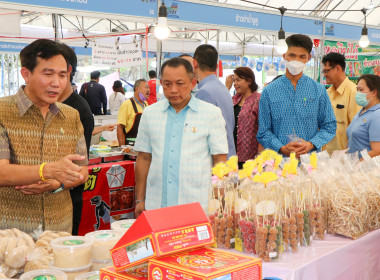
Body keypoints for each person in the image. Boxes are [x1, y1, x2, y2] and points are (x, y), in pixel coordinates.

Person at [0, 39, 88, 234]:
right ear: (26, 74)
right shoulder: (2, 112)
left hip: (59, 230)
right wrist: (47, 170)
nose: (56, 83)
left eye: (63, 75)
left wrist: (58, 183)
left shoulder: (71, 116)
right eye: (48, 74)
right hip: (11, 233)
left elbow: (83, 171)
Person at [134, 57, 228, 217]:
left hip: (196, 204)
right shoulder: (150, 114)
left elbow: (219, 159)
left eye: (180, 83)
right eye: (167, 84)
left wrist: (218, 199)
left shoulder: (211, 113)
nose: (173, 90)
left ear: (192, 83)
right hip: (157, 204)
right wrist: (140, 199)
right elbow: (143, 158)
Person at [257, 34, 336, 158]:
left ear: (308, 58)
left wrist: (311, 144)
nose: (296, 61)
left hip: (310, 160)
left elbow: (329, 126)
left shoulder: (318, 90)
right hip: (279, 162)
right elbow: (263, 131)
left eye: (302, 56)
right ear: (284, 55)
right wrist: (281, 148)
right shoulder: (269, 91)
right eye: (292, 55)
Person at [193, 44, 236, 158]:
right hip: (228, 154)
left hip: (215, 159)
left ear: (194, 63)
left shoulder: (204, 92)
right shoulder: (222, 88)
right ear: (217, 66)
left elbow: (202, 133)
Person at [322, 52, 361, 154]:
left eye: (326, 71)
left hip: (343, 156)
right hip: (325, 153)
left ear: (338, 69)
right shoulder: (327, 93)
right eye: (324, 71)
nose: (325, 74)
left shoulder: (353, 92)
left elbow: (356, 129)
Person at [231, 67, 261, 168]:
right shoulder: (235, 99)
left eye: (238, 80)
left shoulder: (258, 100)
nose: (235, 83)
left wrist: (260, 155)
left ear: (249, 81)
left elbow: (263, 127)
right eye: (234, 80)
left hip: (250, 155)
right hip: (233, 154)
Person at [347, 74, 380, 158]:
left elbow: (377, 151)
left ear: (374, 92)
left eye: (361, 90)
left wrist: (357, 164)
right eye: (357, 89)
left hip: (366, 169)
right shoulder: (362, 112)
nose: (358, 93)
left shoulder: (377, 115)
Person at [117, 79, 149, 146]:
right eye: (146, 87)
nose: (148, 90)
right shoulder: (127, 104)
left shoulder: (146, 104)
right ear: (137, 89)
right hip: (131, 145)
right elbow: (120, 127)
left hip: (145, 144)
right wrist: (122, 146)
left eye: (149, 87)